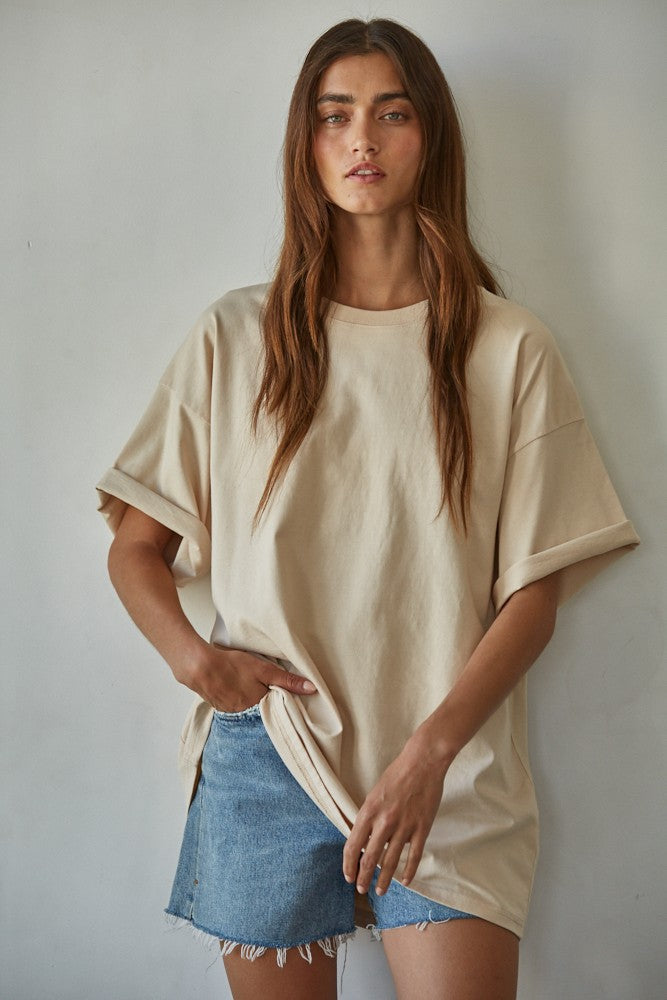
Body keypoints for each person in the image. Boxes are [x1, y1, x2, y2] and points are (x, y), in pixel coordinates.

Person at [96, 18, 640, 1000]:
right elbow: (138, 546)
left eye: (391, 114)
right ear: (305, 145)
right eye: (333, 116)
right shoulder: (235, 335)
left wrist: (430, 751)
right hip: (269, 753)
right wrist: (196, 660)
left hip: (450, 761)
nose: (362, 141)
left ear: (427, 136)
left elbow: (534, 594)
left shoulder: (506, 348)